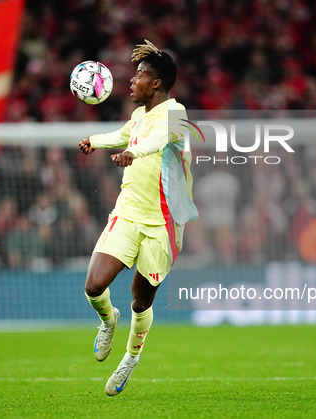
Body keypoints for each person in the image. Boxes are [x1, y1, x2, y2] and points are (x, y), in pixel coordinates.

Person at [78, 40, 198, 396]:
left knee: (140, 301)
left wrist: (133, 152)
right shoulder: (138, 116)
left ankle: (130, 359)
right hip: (128, 212)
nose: (131, 81)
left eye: (140, 75)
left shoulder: (176, 114)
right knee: (94, 286)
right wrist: (96, 142)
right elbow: (123, 134)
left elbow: (158, 141)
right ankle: (108, 320)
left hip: (163, 221)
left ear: (156, 83)